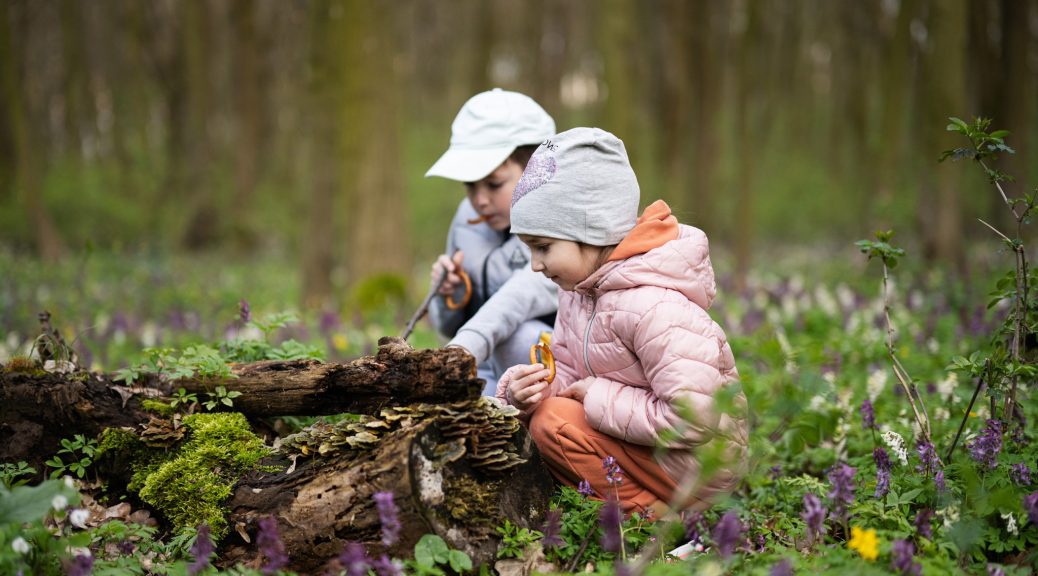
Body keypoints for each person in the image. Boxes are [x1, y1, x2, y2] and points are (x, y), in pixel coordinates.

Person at [496, 127, 749, 515]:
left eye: (544, 247)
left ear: (592, 231)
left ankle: (656, 517)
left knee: (553, 425)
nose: (535, 265)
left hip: (698, 464)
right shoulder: (578, 292)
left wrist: (596, 396)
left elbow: (695, 419)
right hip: (645, 448)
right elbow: (567, 373)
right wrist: (527, 391)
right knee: (545, 415)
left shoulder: (655, 307)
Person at [425, 88, 560, 394]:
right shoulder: (466, 220)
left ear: (537, 171)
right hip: (483, 362)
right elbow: (447, 327)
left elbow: (521, 294)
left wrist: (461, 349)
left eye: (494, 183)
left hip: (552, 365)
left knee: (519, 338)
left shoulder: (560, 221)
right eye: (470, 186)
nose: (480, 200)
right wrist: (453, 294)